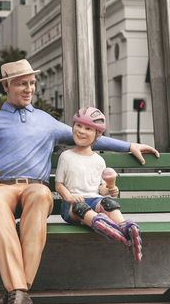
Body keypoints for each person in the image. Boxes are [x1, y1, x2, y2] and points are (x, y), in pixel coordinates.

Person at [0, 59, 159, 304]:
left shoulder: (46, 121)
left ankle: (12, 293)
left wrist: (129, 145)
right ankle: (19, 293)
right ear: (6, 86)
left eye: (32, 83)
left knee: (43, 195)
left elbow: (89, 136)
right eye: (22, 83)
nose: (29, 88)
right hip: (2, 188)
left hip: (36, 187)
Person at [55, 107, 143, 262]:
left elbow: (101, 190)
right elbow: (59, 185)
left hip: (94, 200)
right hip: (70, 206)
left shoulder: (99, 160)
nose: (81, 131)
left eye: (88, 128)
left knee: (109, 203)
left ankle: (123, 226)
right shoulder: (66, 156)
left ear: (98, 135)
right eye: (78, 125)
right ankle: (99, 222)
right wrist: (70, 197)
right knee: (81, 208)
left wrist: (110, 189)